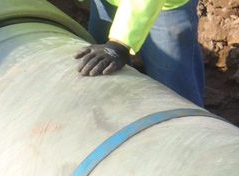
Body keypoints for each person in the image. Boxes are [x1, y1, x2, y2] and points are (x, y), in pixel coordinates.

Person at [74, 0, 205, 107]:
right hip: (108, 2)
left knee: (174, 93)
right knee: (104, 76)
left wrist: (119, 43)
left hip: (162, 6)